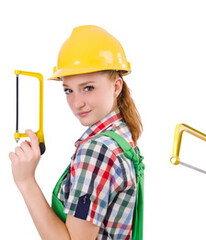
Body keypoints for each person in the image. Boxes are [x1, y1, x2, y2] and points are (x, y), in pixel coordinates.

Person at [9, 25, 145, 240]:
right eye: (68, 90)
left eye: (88, 87)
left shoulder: (98, 150)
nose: (77, 103)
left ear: (116, 86)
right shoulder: (122, 134)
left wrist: (26, 181)